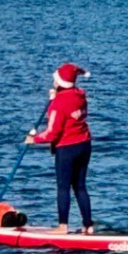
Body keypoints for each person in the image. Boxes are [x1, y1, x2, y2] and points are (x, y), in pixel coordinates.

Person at [25, 62, 93, 235]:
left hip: (67, 148)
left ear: (60, 83)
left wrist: (34, 139)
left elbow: (52, 133)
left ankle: (62, 226)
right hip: (84, 145)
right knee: (80, 186)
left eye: (55, 80)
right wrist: (55, 97)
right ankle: (88, 225)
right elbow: (72, 83)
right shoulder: (80, 95)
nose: (52, 82)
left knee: (63, 187)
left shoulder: (58, 104)